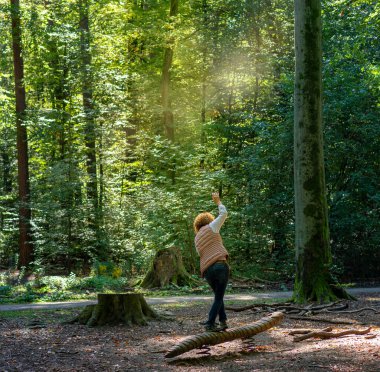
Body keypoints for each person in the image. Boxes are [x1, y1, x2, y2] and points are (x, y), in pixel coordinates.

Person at [193, 192, 229, 332]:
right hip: (220, 266)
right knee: (219, 297)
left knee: (218, 296)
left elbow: (200, 254)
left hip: (207, 271)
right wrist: (218, 201)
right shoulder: (212, 227)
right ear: (209, 220)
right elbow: (224, 214)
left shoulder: (197, 238)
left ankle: (223, 321)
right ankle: (209, 323)